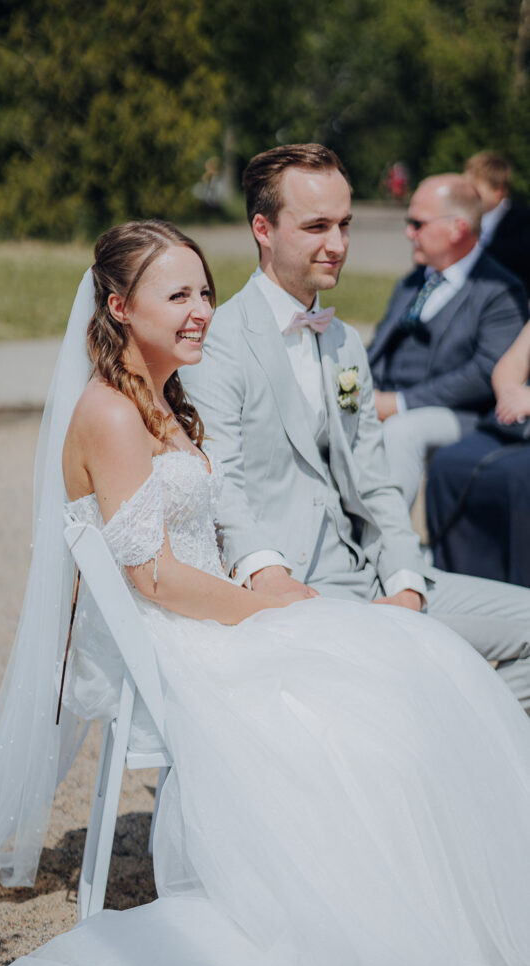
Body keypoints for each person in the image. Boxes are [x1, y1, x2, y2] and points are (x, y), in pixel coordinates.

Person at [0, 220, 530, 966]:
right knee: (367, 701)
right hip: (177, 641)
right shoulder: (111, 413)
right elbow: (154, 576)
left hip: (212, 614)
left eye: (205, 292)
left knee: (408, 655)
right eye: (175, 295)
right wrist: (266, 608)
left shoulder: (164, 396)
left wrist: (270, 593)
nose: (200, 311)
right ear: (117, 306)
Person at [181, 145, 530, 707]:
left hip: (370, 575)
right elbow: (219, 481)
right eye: (317, 226)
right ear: (263, 228)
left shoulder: (343, 341)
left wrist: (406, 582)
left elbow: (374, 479)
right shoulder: (219, 343)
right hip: (291, 591)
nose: (338, 245)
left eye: (345, 224)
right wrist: (268, 575)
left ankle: (464, 761)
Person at [368, 172, 527, 508]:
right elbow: (379, 348)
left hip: (459, 414)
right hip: (385, 399)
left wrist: (397, 403)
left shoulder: (500, 290)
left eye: (418, 223)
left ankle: (394, 547)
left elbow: (485, 372)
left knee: (402, 431)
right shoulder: (412, 282)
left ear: (457, 228)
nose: (408, 232)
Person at [427, 320, 530, 586]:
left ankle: (519, 592)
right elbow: (508, 367)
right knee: (448, 464)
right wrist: (510, 397)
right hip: (518, 427)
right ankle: (457, 581)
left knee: (517, 477)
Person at [464, 151, 530, 293]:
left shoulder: (523, 225)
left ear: (498, 191)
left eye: (474, 189)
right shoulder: (460, 221)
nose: (467, 194)